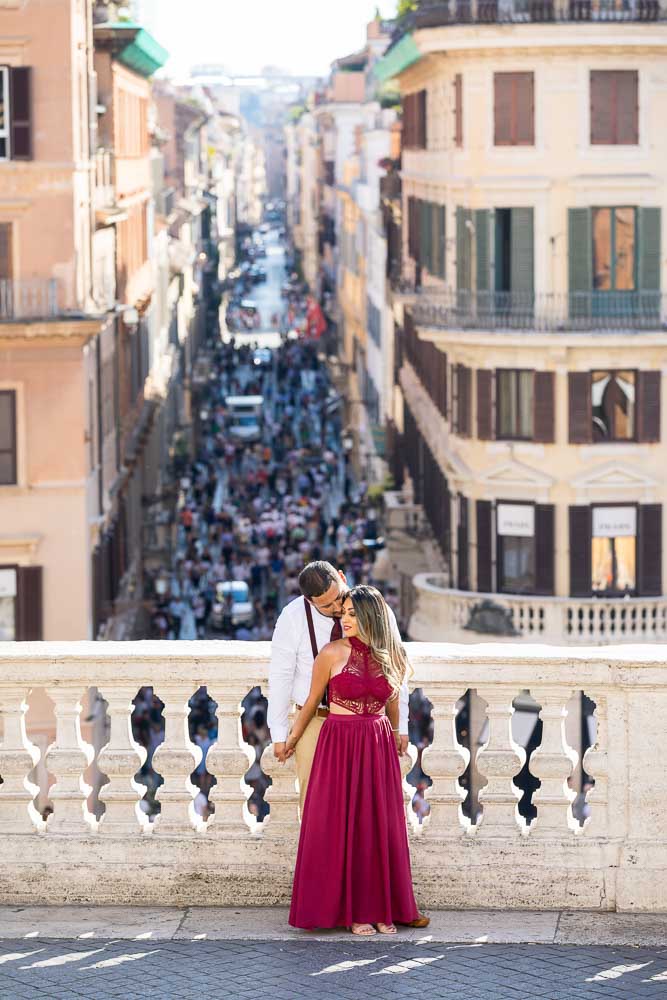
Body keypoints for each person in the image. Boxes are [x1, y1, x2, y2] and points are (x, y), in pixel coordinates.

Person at [287, 586, 422, 935]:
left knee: (377, 827)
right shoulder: (330, 654)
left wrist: (398, 731)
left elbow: (393, 701)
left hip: (377, 743)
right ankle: (354, 913)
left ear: (370, 617)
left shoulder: (390, 655)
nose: (344, 619)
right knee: (340, 826)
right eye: (342, 613)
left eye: (351, 614)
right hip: (339, 743)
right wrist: (289, 739)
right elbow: (311, 700)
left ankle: (380, 909)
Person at [267, 561, 409, 812]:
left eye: (339, 598)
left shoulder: (376, 609)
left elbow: (396, 668)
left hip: (366, 725)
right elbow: (280, 676)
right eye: (326, 605)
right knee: (317, 805)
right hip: (314, 721)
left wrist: (401, 726)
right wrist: (280, 734)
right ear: (309, 601)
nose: (337, 609)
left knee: (366, 805)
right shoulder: (292, 617)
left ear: (343, 577)